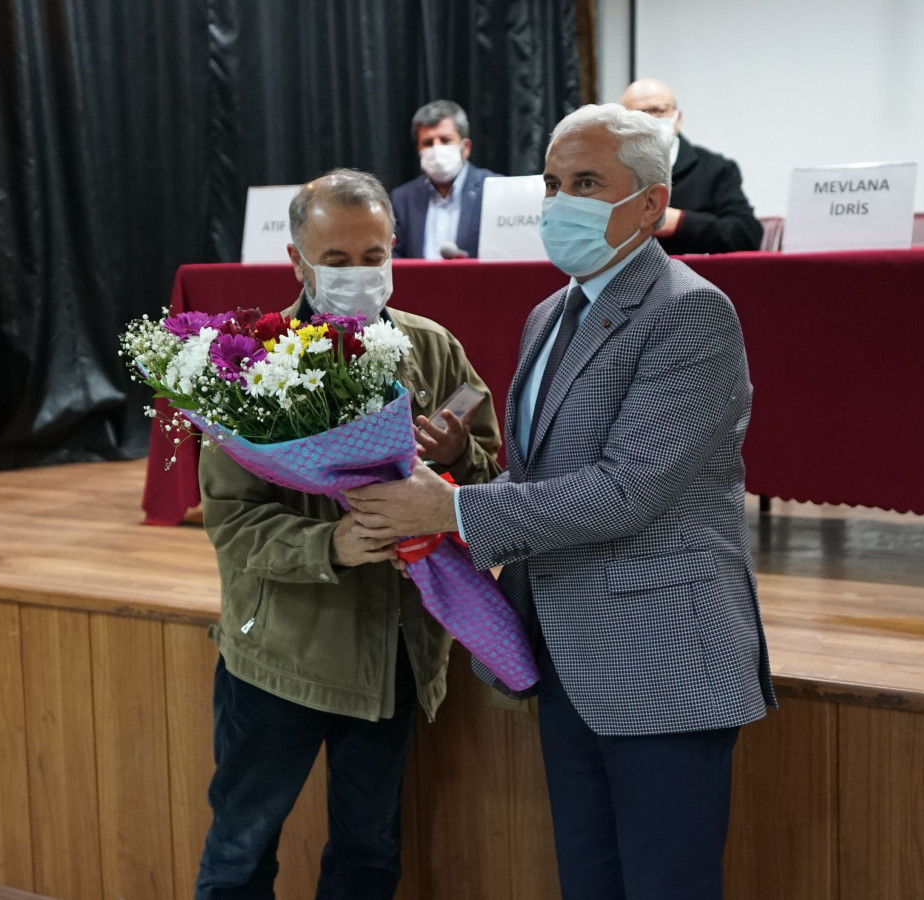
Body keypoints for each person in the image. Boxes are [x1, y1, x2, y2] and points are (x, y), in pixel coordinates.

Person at [344, 105, 774, 900]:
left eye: (585, 184)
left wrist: (449, 513)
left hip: (661, 663)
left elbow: (627, 489)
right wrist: (446, 494)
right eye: (551, 184)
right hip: (567, 653)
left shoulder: (691, 311)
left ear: (650, 204)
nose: (557, 202)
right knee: (588, 882)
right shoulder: (550, 313)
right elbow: (542, 476)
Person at [194, 168, 502, 899]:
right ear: (297, 261)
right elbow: (232, 521)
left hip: (393, 657)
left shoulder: (433, 348)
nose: (358, 274)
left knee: (369, 853)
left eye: (373, 256)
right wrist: (330, 546)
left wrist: (459, 455)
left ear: (395, 249)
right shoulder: (248, 360)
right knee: (240, 852)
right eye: (336, 260)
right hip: (282, 656)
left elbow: (493, 484)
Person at [620, 78, 763, 255]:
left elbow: (747, 234)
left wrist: (679, 222)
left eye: (658, 110)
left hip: (693, 270)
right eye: (638, 114)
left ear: (677, 118)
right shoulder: (605, 170)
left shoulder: (716, 169)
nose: (649, 120)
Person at [390, 100, 498, 259]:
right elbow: (393, 257)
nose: (437, 148)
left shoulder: (494, 189)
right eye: (428, 143)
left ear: (466, 148)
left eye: (445, 140)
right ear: (418, 149)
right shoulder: (402, 199)